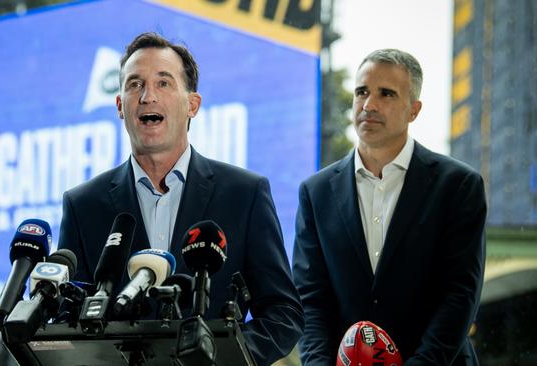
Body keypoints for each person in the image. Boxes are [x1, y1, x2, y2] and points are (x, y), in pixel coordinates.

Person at [58, 32, 303, 365]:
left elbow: (282, 313)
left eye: (163, 83)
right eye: (134, 85)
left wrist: (224, 359)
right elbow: (64, 319)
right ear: (119, 106)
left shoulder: (244, 194)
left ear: (192, 105)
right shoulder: (83, 204)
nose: (147, 96)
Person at [292, 49, 486, 365]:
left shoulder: (458, 186)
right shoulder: (315, 193)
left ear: (414, 110)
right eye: (362, 92)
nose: (369, 105)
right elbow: (310, 300)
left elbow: (460, 294)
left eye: (386, 94)